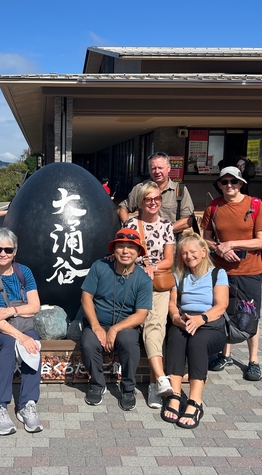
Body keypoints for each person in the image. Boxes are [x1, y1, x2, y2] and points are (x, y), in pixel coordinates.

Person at [0, 228, 43, 435]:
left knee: (33, 346)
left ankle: (27, 404)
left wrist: (10, 311)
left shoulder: (24, 272)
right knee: (11, 344)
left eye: (8, 250)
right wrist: (20, 337)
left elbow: (35, 306)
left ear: (15, 251)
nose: (2, 254)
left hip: (19, 323)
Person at [202, 166, 262, 381]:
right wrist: (218, 248)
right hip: (221, 271)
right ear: (219, 185)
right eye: (224, 182)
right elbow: (205, 238)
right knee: (224, 311)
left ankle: (253, 361)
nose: (229, 185)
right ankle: (225, 354)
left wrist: (230, 244)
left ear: (241, 183)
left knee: (250, 313)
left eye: (233, 181)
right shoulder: (213, 207)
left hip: (249, 270)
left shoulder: (255, 205)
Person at [81, 228, 152, 411]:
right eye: (121, 247)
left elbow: (141, 314)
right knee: (89, 343)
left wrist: (114, 329)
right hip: (98, 320)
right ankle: (97, 384)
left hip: (125, 324)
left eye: (131, 248)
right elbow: (86, 297)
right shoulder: (100, 266)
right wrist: (96, 326)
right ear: (114, 249)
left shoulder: (143, 279)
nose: (125, 251)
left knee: (129, 342)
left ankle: (128, 388)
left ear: (138, 252)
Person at [163, 231, 229, 429]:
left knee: (197, 342)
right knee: (175, 337)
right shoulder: (178, 274)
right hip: (184, 319)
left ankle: (195, 401)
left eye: (192, 252)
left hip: (211, 324)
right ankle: (174, 396)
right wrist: (175, 318)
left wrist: (201, 319)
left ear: (203, 251)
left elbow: (221, 305)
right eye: (183, 253)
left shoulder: (218, 273)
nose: (188, 256)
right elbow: (172, 303)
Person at [123, 182, 175, 408]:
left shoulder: (166, 226)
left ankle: (157, 384)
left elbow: (170, 259)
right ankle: (160, 381)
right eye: (148, 199)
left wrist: (154, 268)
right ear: (141, 202)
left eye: (157, 199)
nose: (153, 203)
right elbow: (123, 253)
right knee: (147, 326)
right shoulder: (131, 224)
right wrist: (141, 266)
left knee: (155, 326)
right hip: (134, 281)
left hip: (158, 283)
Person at [118, 152, 195, 234]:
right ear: (149, 170)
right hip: (145, 242)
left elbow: (188, 220)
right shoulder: (140, 188)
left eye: (160, 168)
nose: (157, 171)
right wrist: (129, 228)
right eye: (153, 168)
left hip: (170, 241)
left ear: (169, 168)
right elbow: (122, 209)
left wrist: (161, 231)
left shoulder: (180, 190)